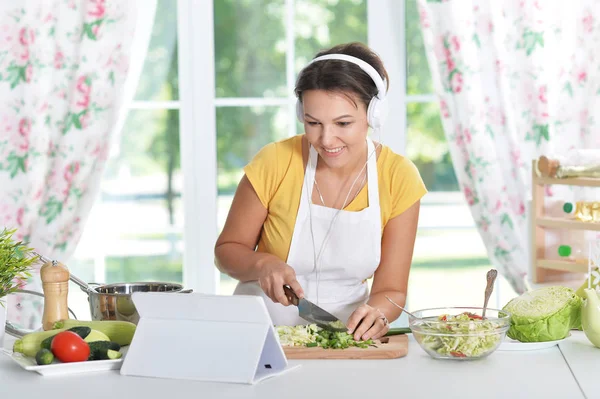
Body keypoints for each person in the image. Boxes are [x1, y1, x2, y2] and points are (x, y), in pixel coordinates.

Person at [215, 42, 427, 342]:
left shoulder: (398, 176)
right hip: (258, 334)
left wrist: (378, 312)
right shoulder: (275, 161)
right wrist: (263, 264)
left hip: (343, 338)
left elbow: (390, 290)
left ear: (374, 114)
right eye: (313, 123)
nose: (326, 139)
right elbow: (226, 252)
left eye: (343, 123)